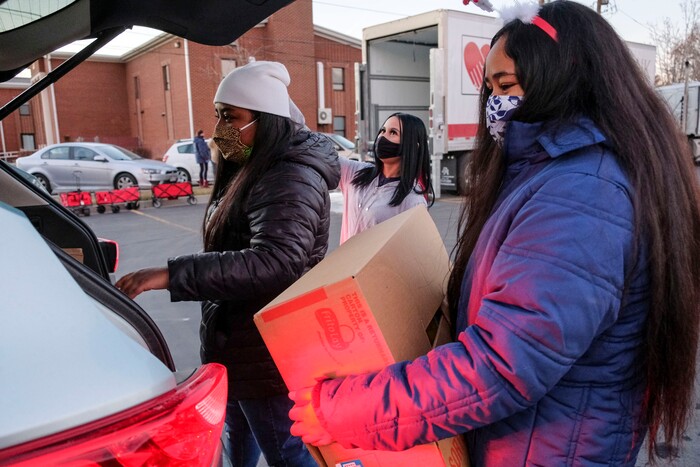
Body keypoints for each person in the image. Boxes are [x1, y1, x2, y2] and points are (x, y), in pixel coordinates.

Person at [288, 2, 700, 465]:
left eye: (506, 85)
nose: (494, 102)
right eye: (489, 88)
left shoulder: (582, 193)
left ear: (564, 77)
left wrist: (340, 411)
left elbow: (502, 365)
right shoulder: (555, 174)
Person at [116, 60, 340, 467]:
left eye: (230, 116)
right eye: (218, 114)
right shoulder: (251, 167)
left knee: (286, 452)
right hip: (240, 344)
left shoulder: (289, 175)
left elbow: (276, 261)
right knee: (238, 439)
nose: (219, 127)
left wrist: (171, 275)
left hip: (268, 350)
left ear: (266, 119)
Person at [338, 112, 433, 244]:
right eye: (383, 130)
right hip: (345, 264)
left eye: (393, 132)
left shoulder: (413, 201)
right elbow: (318, 154)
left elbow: (415, 253)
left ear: (411, 145)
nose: (382, 137)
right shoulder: (356, 172)